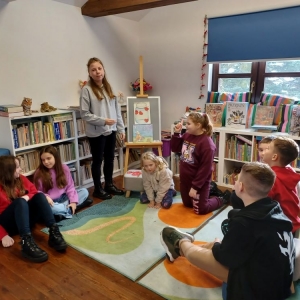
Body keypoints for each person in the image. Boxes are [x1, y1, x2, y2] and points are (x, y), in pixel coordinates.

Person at [160, 162, 295, 300]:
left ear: (241, 186)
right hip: (280, 285)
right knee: (223, 240)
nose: (235, 182)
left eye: (237, 179)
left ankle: (180, 243)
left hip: (255, 291)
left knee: (196, 254)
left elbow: (224, 257)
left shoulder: (245, 224)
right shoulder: (277, 210)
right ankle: (200, 245)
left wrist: (218, 244)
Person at [0, 155, 67, 263]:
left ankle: (54, 231)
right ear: (8, 171)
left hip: (24, 221)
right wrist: (2, 235)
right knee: (20, 202)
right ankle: (26, 243)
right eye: (17, 167)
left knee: (40, 196)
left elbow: (34, 192)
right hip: (9, 225)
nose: (20, 169)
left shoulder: (20, 178)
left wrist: (27, 196)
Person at [231, 136, 300, 234]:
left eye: (268, 148)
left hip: (279, 225)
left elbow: (259, 203)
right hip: (292, 222)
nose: (263, 152)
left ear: (274, 157)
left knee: (235, 199)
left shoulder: (272, 178)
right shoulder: (289, 171)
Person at [80, 57, 125, 200]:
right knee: (98, 160)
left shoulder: (108, 87)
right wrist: (103, 121)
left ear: (103, 70)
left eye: (99, 68)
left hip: (111, 131)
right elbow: (84, 114)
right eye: (93, 69)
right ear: (89, 72)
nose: (97, 72)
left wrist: (121, 129)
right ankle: (98, 189)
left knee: (110, 159)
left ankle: (109, 184)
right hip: (96, 132)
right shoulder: (86, 90)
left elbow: (117, 110)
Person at [171, 112, 231, 215]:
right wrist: (177, 133)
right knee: (187, 205)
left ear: (198, 125)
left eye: (188, 124)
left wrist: (195, 187)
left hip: (199, 182)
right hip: (185, 180)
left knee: (200, 210)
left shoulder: (207, 145)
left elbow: (205, 169)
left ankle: (222, 198)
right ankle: (211, 190)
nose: (186, 126)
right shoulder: (187, 135)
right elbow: (175, 148)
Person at [34, 146, 93, 222]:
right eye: (43, 160)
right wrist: (45, 197)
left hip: (63, 198)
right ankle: (71, 209)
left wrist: (73, 202)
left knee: (84, 191)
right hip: (51, 202)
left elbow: (70, 187)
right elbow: (37, 192)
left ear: (55, 157)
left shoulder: (64, 168)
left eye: (48, 158)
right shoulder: (39, 173)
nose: (46, 162)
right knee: (51, 208)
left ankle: (64, 211)